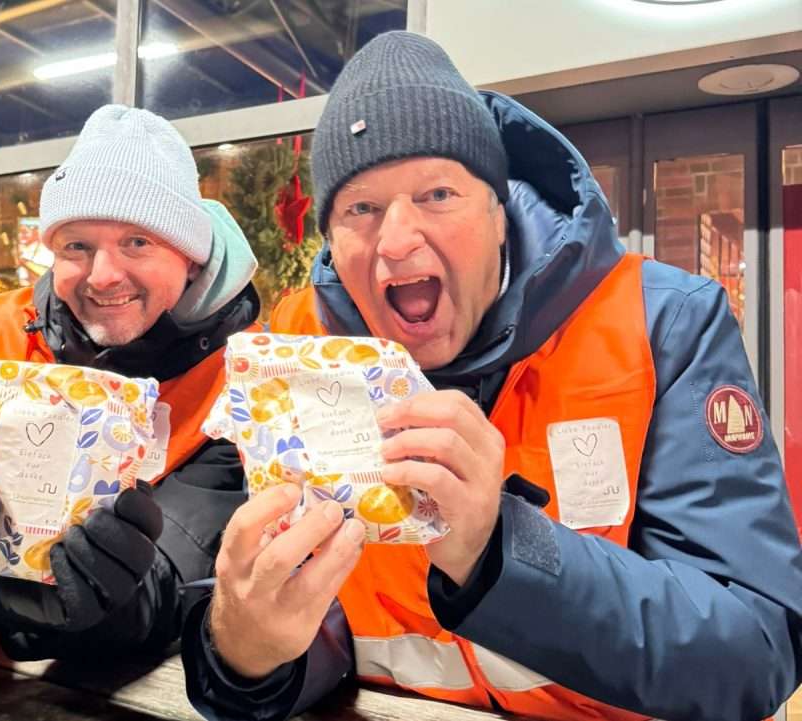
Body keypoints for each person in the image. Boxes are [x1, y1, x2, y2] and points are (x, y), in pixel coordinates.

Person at [182, 31, 802, 721]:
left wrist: (499, 550)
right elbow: (313, 616)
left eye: (437, 193)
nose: (396, 240)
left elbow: (754, 650)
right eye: (360, 208)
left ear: (500, 215)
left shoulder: (662, 323)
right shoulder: (297, 348)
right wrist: (244, 655)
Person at [0, 104, 259, 673]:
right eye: (77, 245)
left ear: (192, 261)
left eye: (138, 242)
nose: (103, 275)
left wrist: (108, 602)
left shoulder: (236, 382)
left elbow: (179, 579)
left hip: (91, 690)